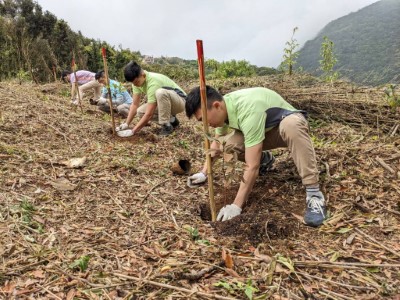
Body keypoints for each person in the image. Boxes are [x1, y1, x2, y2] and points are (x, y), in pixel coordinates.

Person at [185, 86, 326, 227]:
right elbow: (217, 143)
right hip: (264, 131)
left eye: (204, 119)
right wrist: (203, 172)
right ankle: (265, 160)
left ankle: (314, 194)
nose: (206, 125)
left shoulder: (247, 110)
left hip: (284, 128)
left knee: (291, 126)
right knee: (227, 144)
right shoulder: (224, 108)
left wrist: (236, 205)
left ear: (216, 106)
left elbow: (252, 166)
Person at [116, 61, 186, 137]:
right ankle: (172, 120)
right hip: (167, 102)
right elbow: (135, 104)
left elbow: (149, 114)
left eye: (136, 82)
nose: (135, 85)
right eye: (133, 83)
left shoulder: (153, 82)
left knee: (160, 93)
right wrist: (127, 123)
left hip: (180, 101)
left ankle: (166, 126)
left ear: (143, 75)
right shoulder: (136, 84)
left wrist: (133, 131)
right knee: (140, 112)